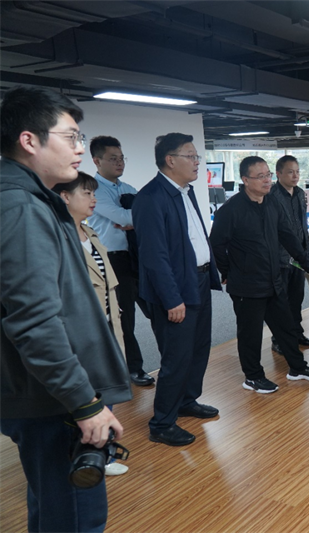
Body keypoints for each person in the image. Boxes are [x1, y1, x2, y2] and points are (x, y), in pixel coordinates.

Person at [0, 86, 131, 532]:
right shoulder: (21, 206)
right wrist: (84, 403)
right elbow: (34, 321)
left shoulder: (31, 198)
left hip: (45, 393)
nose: (80, 149)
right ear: (29, 140)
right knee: (75, 519)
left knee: (55, 510)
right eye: (71, 137)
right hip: (52, 400)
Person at [132, 133, 221, 447]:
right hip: (176, 288)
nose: (197, 162)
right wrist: (172, 299)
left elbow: (195, 238)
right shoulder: (150, 198)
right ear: (170, 160)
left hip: (199, 281)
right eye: (191, 156)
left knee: (198, 348)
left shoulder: (186, 191)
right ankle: (162, 423)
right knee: (177, 357)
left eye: (197, 156)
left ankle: (186, 400)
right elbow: (154, 257)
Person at [209, 156, 309, 393]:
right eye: (260, 176)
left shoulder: (271, 203)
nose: (266, 180)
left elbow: (287, 235)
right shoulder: (230, 210)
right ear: (245, 180)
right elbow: (217, 245)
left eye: (268, 175)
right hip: (246, 284)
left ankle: (297, 368)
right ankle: (253, 376)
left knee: (286, 327)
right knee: (250, 334)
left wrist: (305, 261)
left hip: (273, 279)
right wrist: (227, 271)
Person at [53, 172, 130, 477]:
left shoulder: (89, 232)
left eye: (94, 193)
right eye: (86, 193)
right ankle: (85, 454)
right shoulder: (59, 237)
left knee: (108, 387)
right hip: (82, 329)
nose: (94, 199)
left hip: (108, 322)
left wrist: (114, 306)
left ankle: (101, 451)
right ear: (65, 197)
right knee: (88, 392)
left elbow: (106, 279)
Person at [87, 135, 154, 387]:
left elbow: (147, 215)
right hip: (113, 261)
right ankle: (133, 368)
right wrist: (135, 218)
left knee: (157, 308)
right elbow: (125, 217)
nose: (119, 163)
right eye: (113, 158)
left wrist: (135, 219)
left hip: (137, 257)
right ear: (97, 161)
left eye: (121, 158)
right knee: (125, 318)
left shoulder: (128, 188)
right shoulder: (94, 190)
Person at [269, 154, 309, 354]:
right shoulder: (271, 195)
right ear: (278, 174)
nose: (295, 176)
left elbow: (302, 224)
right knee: (281, 302)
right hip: (280, 258)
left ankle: (296, 333)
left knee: (296, 299)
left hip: (299, 257)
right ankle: (279, 339)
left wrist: (305, 254)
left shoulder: (299, 193)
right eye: (290, 172)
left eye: (297, 171)